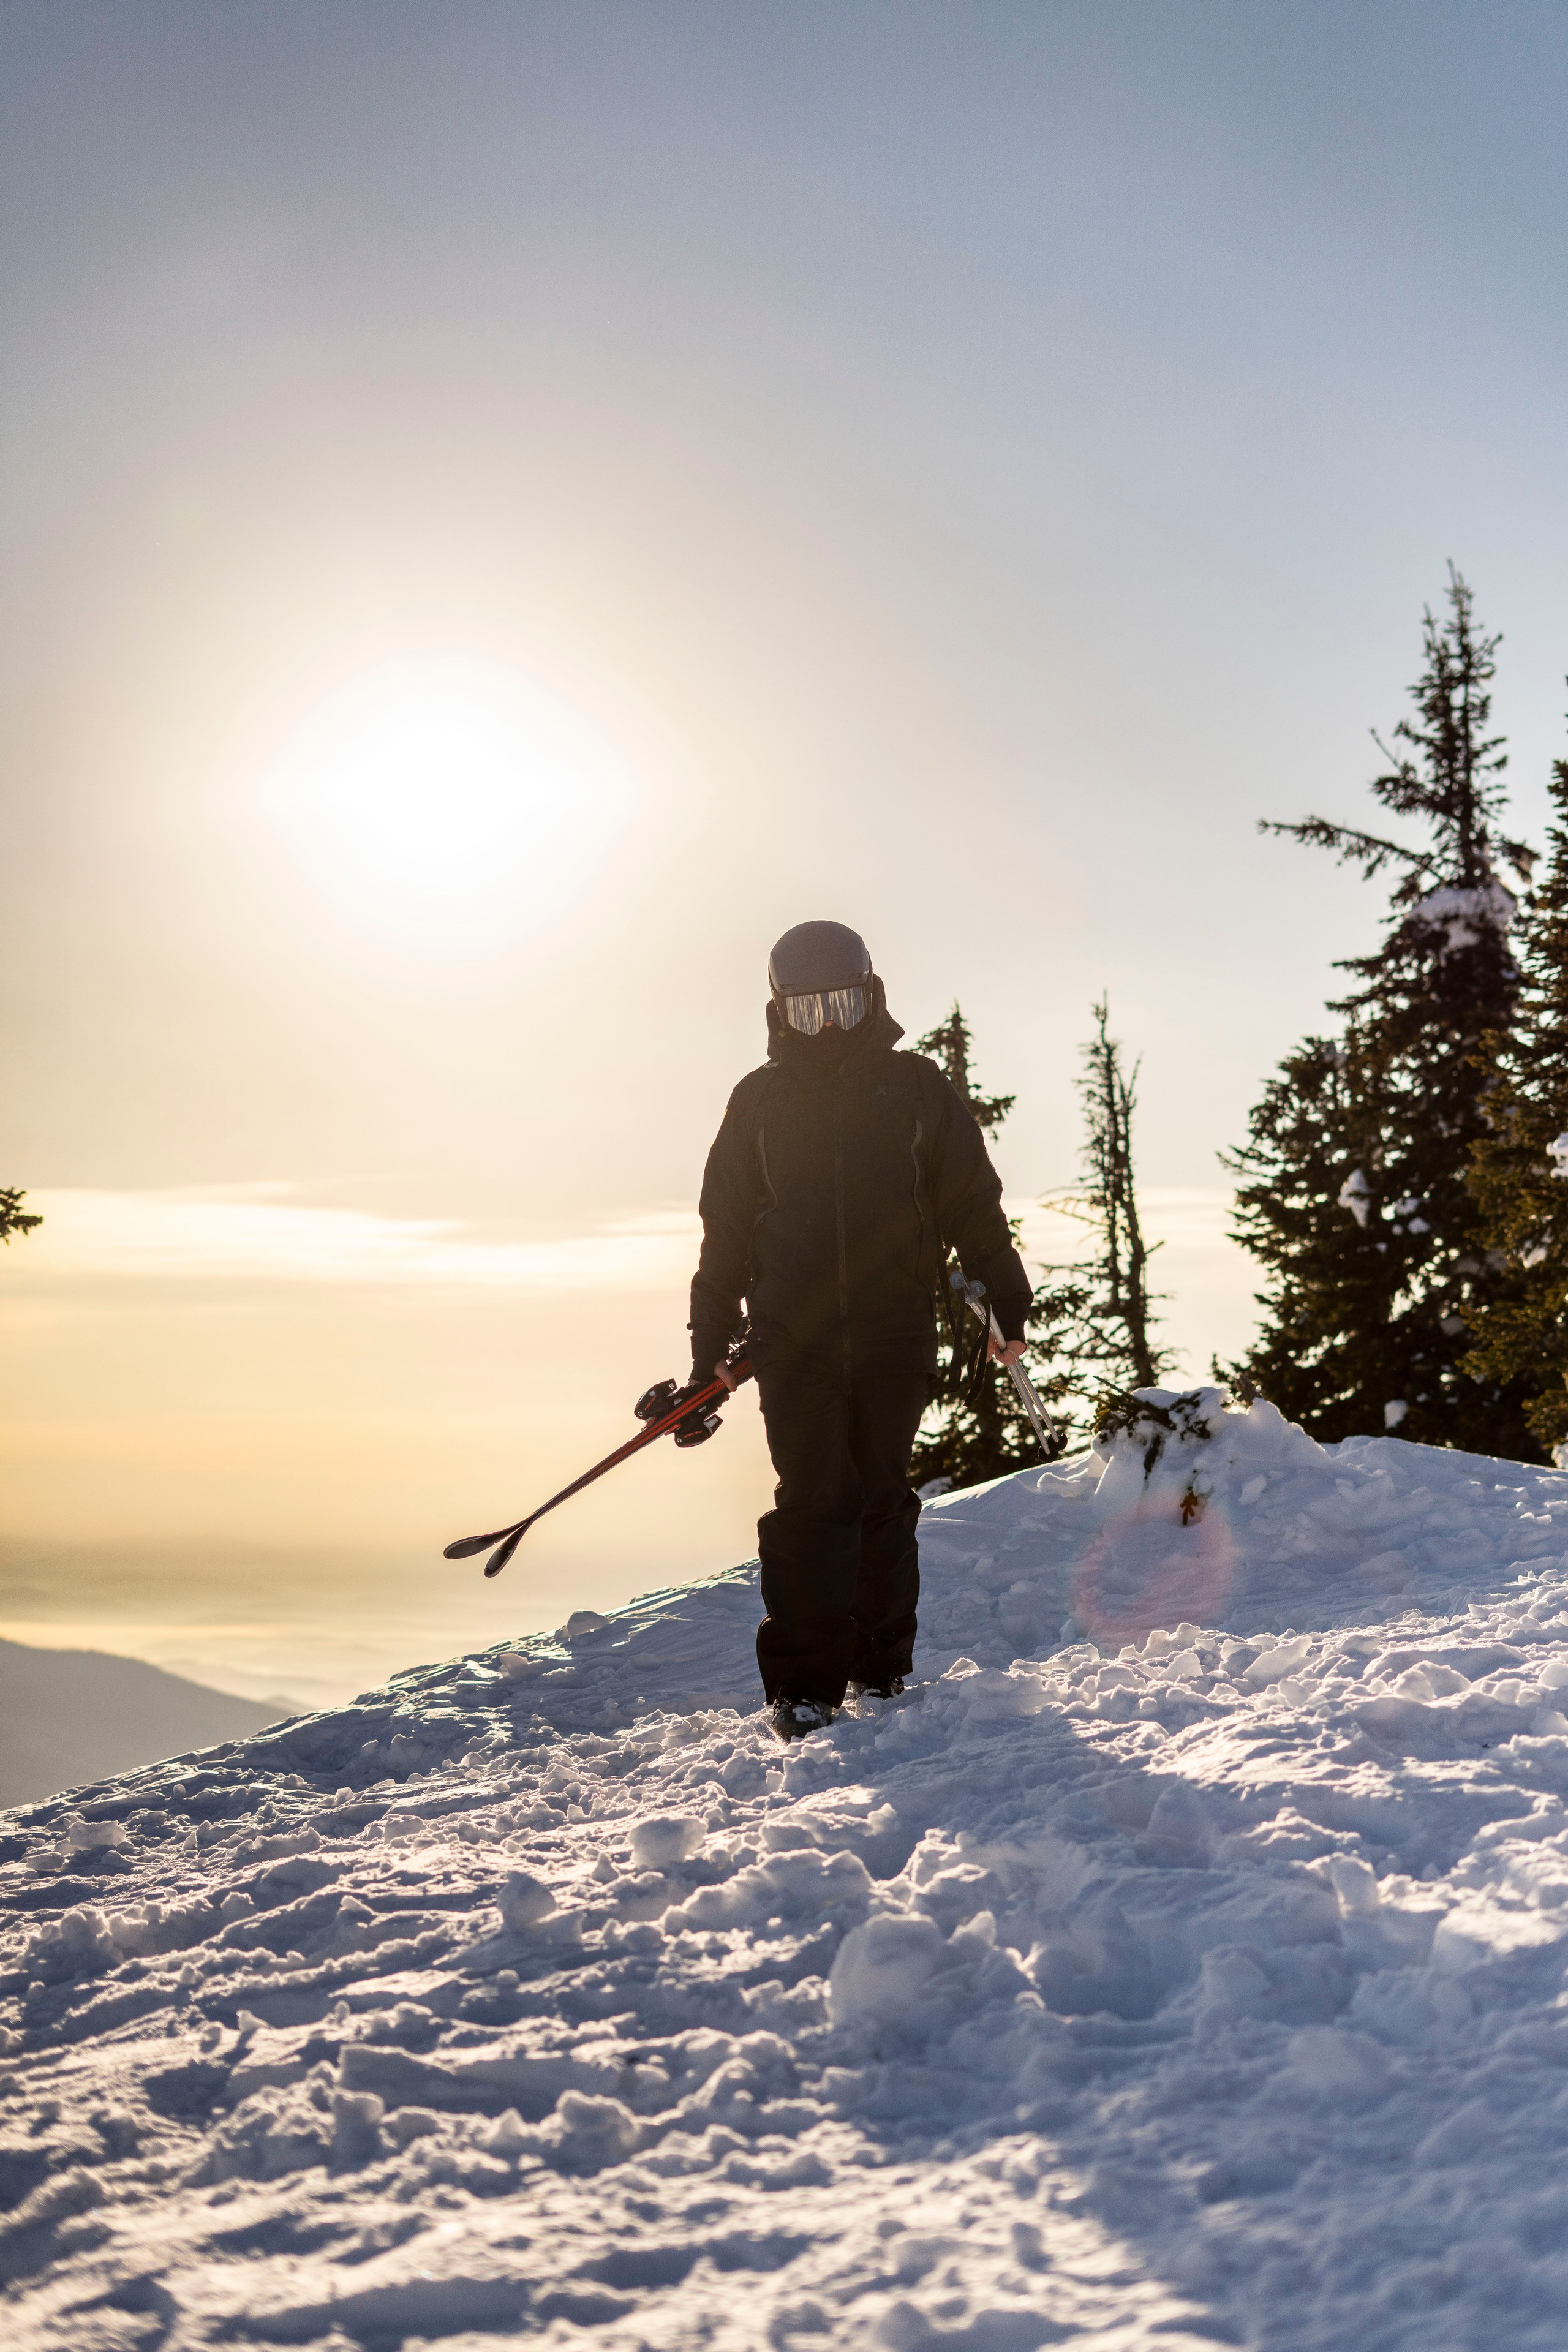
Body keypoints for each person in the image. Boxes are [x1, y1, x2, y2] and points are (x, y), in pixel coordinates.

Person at [688, 921, 1033, 1742]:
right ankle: (804, 1690)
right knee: (812, 1505)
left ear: (869, 996)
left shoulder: (914, 1090)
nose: (831, 1027)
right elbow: (726, 1237)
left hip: (893, 1333)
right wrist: (708, 1355)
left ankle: (881, 1672)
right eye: (810, 1013)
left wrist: (1006, 1300)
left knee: (880, 1498)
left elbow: (969, 1201)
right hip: (791, 1343)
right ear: (781, 1014)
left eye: (842, 1004)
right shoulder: (760, 1104)